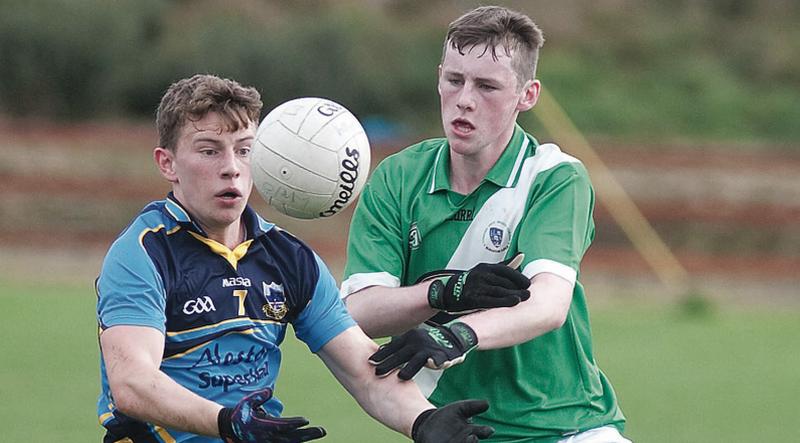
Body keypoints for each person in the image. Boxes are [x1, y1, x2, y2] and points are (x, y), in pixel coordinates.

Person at [95, 73, 496, 442]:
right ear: (168, 163)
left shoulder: (288, 257)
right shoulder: (143, 253)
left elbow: (362, 366)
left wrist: (424, 420)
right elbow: (132, 383)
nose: (231, 168)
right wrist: (230, 422)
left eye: (244, 150)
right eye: (209, 151)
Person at [341, 6, 629, 442]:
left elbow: (548, 305)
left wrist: (457, 334)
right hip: (455, 430)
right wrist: (444, 291)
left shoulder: (554, 177)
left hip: (568, 427)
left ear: (527, 95)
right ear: (439, 77)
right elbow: (360, 312)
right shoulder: (398, 177)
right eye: (454, 80)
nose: (465, 99)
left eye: (487, 86)